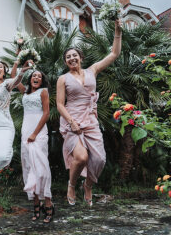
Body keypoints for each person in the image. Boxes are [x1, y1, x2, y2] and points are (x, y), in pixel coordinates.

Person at [56, 20, 122, 206]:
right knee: (81, 157)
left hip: (91, 120)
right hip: (72, 120)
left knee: (99, 159)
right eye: (68, 57)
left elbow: (114, 53)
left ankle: (88, 185)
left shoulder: (92, 70)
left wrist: (117, 31)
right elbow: (60, 105)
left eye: (74, 55)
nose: (72, 58)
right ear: (65, 61)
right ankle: (71, 184)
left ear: (81, 57)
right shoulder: (63, 79)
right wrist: (71, 122)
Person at [12, 64, 54, 223]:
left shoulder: (43, 92)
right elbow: (14, 78)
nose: (36, 78)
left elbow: (46, 113)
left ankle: (48, 203)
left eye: (39, 77)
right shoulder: (25, 92)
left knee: (41, 168)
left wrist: (35, 133)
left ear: (42, 81)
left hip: (38, 132)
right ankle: (36, 204)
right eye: (34, 76)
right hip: (25, 131)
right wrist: (19, 64)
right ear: (30, 78)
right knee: (29, 167)